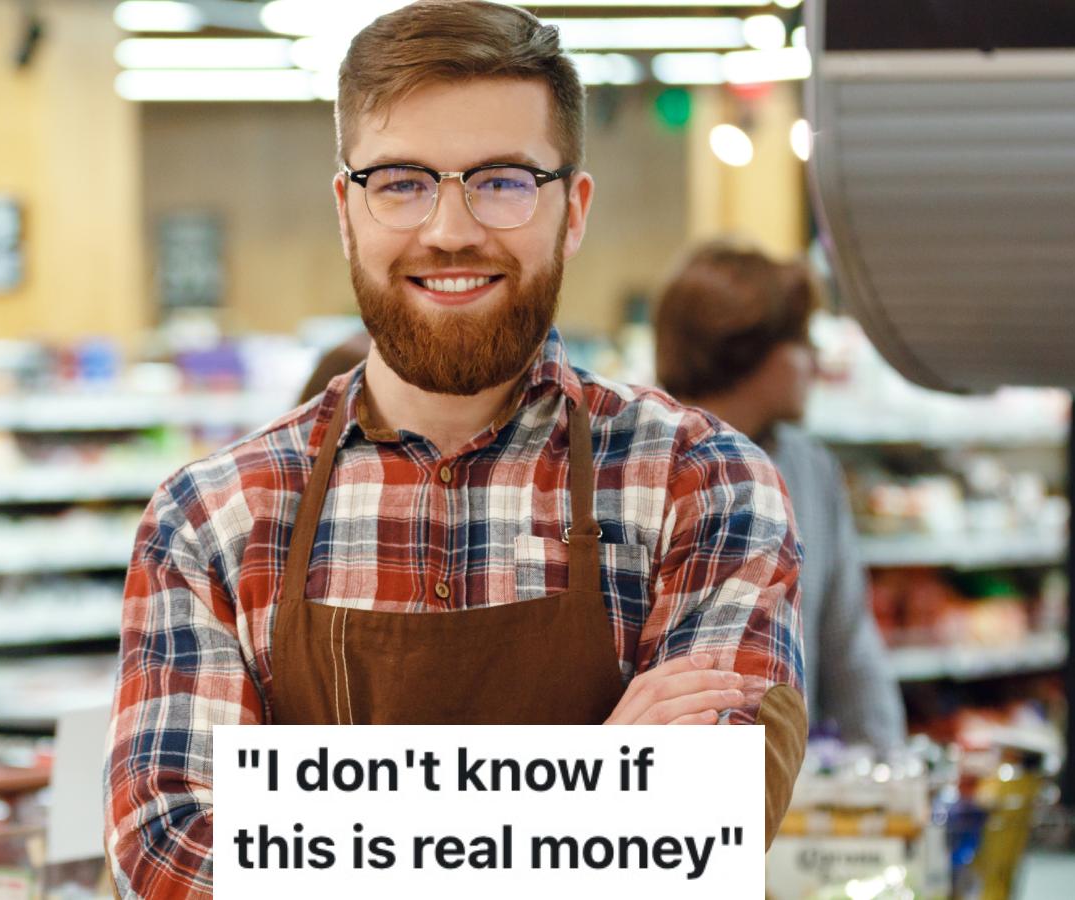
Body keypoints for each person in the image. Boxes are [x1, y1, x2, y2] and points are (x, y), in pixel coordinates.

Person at [104, 4, 807, 895]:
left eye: (503, 180)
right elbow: (171, 851)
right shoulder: (213, 517)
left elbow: (705, 817)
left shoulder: (703, 482)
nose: (449, 229)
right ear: (347, 210)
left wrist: (307, 840)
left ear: (573, 208)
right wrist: (597, 796)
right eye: (401, 181)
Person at [654, 240, 906, 752]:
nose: (815, 360)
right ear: (746, 347)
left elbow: (848, 643)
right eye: (800, 340)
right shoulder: (638, 463)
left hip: (788, 788)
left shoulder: (811, 470)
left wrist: (887, 767)